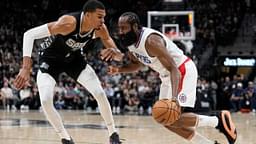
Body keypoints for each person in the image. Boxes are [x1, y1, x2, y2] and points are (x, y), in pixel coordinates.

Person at [101, 12, 237, 144]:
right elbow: (139, 65)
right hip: (167, 76)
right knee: (165, 119)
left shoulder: (151, 41)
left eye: (123, 28)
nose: (120, 32)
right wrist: (119, 69)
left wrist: (174, 99)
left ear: (135, 26)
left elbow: (174, 69)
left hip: (182, 71)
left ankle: (218, 120)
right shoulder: (130, 42)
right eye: (119, 28)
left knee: (173, 116)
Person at [13, 0, 122, 144]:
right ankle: (65, 137)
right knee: (45, 100)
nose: (103, 20)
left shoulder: (100, 28)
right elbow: (29, 34)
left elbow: (116, 52)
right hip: (50, 60)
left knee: (100, 93)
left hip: (74, 60)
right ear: (88, 15)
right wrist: (26, 68)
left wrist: (114, 52)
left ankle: (113, 134)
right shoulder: (68, 23)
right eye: (100, 16)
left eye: (104, 17)